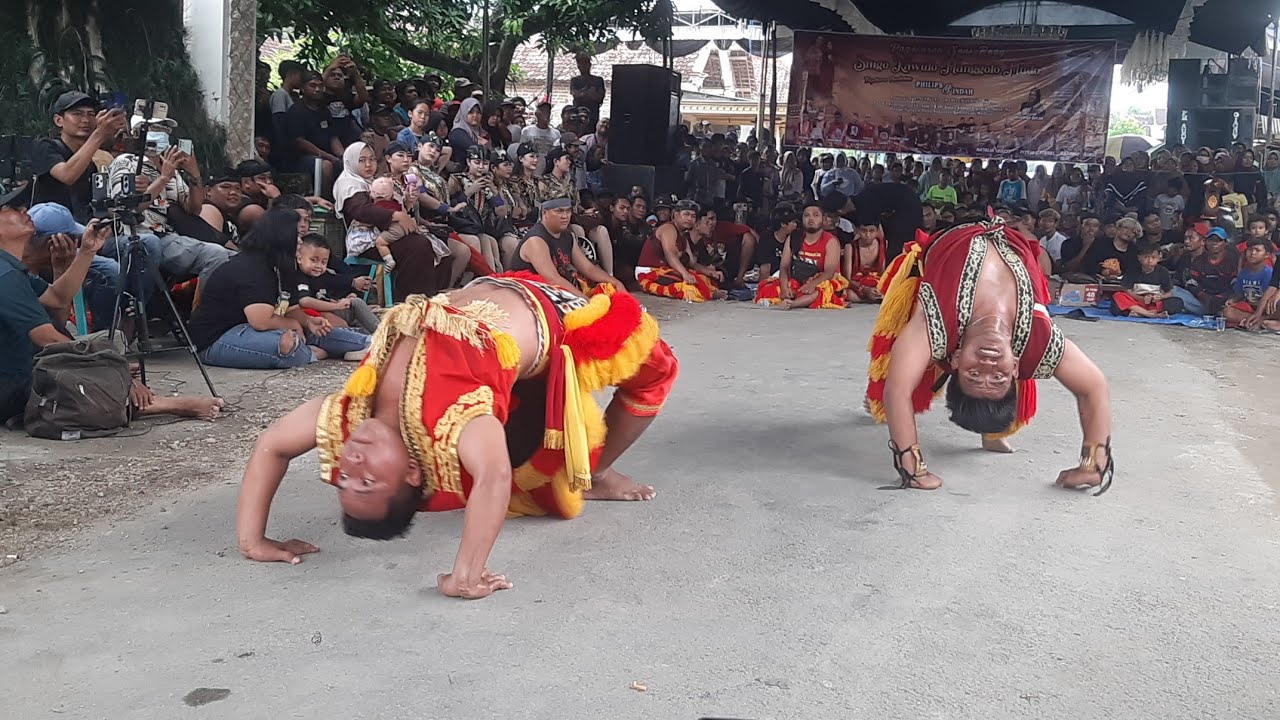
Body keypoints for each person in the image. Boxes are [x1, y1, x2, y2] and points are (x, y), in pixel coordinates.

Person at [233, 272, 679, 599]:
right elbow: (493, 475)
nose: (350, 466)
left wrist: (253, 541)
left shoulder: (349, 418)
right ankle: (595, 473)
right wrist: (465, 574)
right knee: (658, 369)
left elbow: (272, 445)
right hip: (555, 316)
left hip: (493, 283)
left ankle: (590, 465)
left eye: (345, 481)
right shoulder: (449, 423)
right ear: (411, 472)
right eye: (368, 481)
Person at [865, 217, 1114, 493]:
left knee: (897, 355)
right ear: (1015, 367)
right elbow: (1094, 386)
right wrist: (1094, 465)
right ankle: (992, 429)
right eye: (998, 377)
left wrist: (911, 468)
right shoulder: (1037, 342)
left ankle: (990, 432)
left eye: (973, 374)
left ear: (956, 360)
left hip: (951, 236)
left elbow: (898, 390)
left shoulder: (935, 328)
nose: (987, 364)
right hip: (1009, 240)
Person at [0, 188, 223, 425]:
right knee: (87, 364)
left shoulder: (9, 267)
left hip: (23, 369)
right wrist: (113, 366)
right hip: (13, 383)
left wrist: (87, 251)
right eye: (11, 209)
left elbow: (57, 298)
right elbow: (48, 338)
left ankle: (134, 397)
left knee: (107, 343)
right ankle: (160, 405)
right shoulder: (4, 274)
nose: (23, 210)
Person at [188, 208, 372, 369]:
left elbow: (291, 308)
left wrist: (307, 321)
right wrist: (293, 325)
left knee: (314, 328)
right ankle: (316, 353)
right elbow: (260, 321)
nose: (301, 242)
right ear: (282, 238)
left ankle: (370, 343)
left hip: (255, 329)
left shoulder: (281, 266)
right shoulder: (252, 266)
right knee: (285, 343)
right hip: (218, 339)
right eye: (297, 237)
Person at [333, 142, 452, 301]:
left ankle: (434, 298)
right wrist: (396, 216)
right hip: (368, 240)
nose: (368, 165)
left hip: (386, 231)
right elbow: (361, 211)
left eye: (372, 159)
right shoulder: (349, 183)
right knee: (419, 246)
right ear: (351, 161)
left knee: (440, 246)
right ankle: (409, 301)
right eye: (362, 160)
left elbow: (393, 205)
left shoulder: (375, 181)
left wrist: (407, 202)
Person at [30, 91, 128, 223]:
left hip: (84, 229)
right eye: (77, 114)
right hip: (51, 228)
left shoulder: (90, 164)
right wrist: (99, 134)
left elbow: (98, 205)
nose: (86, 120)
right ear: (58, 120)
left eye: (91, 114)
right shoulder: (45, 146)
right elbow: (67, 175)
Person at [508, 198, 622, 297]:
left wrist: (615, 282)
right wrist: (584, 301)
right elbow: (552, 279)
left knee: (609, 291)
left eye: (568, 211)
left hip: (560, 290)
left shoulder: (568, 235)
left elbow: (588, 268)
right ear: (544, 213)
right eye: (559, 211)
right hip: (536, 294)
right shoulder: (536, 240)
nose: (565, 216)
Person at [754, 202, 848, 309]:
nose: (811, 219)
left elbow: (829, 272)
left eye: (816, 215)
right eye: (807, 215)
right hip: (798, 280)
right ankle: (789, 298)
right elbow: (784, 267)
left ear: (823, 218)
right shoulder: (794, 237)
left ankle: (792, 304)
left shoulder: (831, 241)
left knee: (822, 290)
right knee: (768, 287)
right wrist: (784, 288)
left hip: (821, 281)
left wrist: (812, 284)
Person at [636, 200, 724, 302]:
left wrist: (710, 272)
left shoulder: (683, 238)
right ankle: (710, 294)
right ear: (676, 214)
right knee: (687, 283)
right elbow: (670, 255)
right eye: (686, 214)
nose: (690, 219)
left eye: (693, 216)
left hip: (668, 271)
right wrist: (685, 274)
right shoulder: (668, 228)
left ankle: (710, 292)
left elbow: (692, 264)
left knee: (705, 279)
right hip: (650, 272)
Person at [293, 233, 380, 333]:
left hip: (335, 309)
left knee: (372, 313)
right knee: (357, 303)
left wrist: (349, 296)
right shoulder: (300, 277)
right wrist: (337, 306)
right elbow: (305, 301)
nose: (319, 266)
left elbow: (339, 284)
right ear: (299, 258)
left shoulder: (324, 275)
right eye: (314, 260)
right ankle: (382, 335)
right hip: (319, 315)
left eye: (323, 262)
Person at [1109, 242, 1183, 318]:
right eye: (1146, 257)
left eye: (1153, 257)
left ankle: (1140, 313)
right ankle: (1150, 314)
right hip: (1136, 301)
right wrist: (1141, 299)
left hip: (1154, 303)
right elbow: (1127, 290)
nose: (1150, 261)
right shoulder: (1132, 270)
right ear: (1139, 258)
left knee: (1177, 302)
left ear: (1159, 257)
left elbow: (1169, 292)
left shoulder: (1163, 271)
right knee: (1117, 296)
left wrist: (1161, 297)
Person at [1223, 237, 1274, 327]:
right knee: (1227, 311)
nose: (1252, 253)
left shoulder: (1268, 273)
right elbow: (1240, 294)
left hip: (1266, 309)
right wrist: (1233, 300)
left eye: (1257, 250)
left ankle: (1257, 321)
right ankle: (1257, 322)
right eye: (1250, 250)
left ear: (1267, 254)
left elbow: (1268, 299)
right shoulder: (1244, 272)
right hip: (1250, 308)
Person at [844, 219, 887, 304]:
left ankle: (875, 297)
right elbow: (847, 278)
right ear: (858, 231)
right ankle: (871, 299)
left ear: (877, 232)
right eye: (864, 231)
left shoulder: (883, 244)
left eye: (871, 231)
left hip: (876, 283)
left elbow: (883, 274)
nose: (868, 235)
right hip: (857, 284)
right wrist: (864, 289)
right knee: (848, 294)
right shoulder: (850, 247)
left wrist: (879, 288)